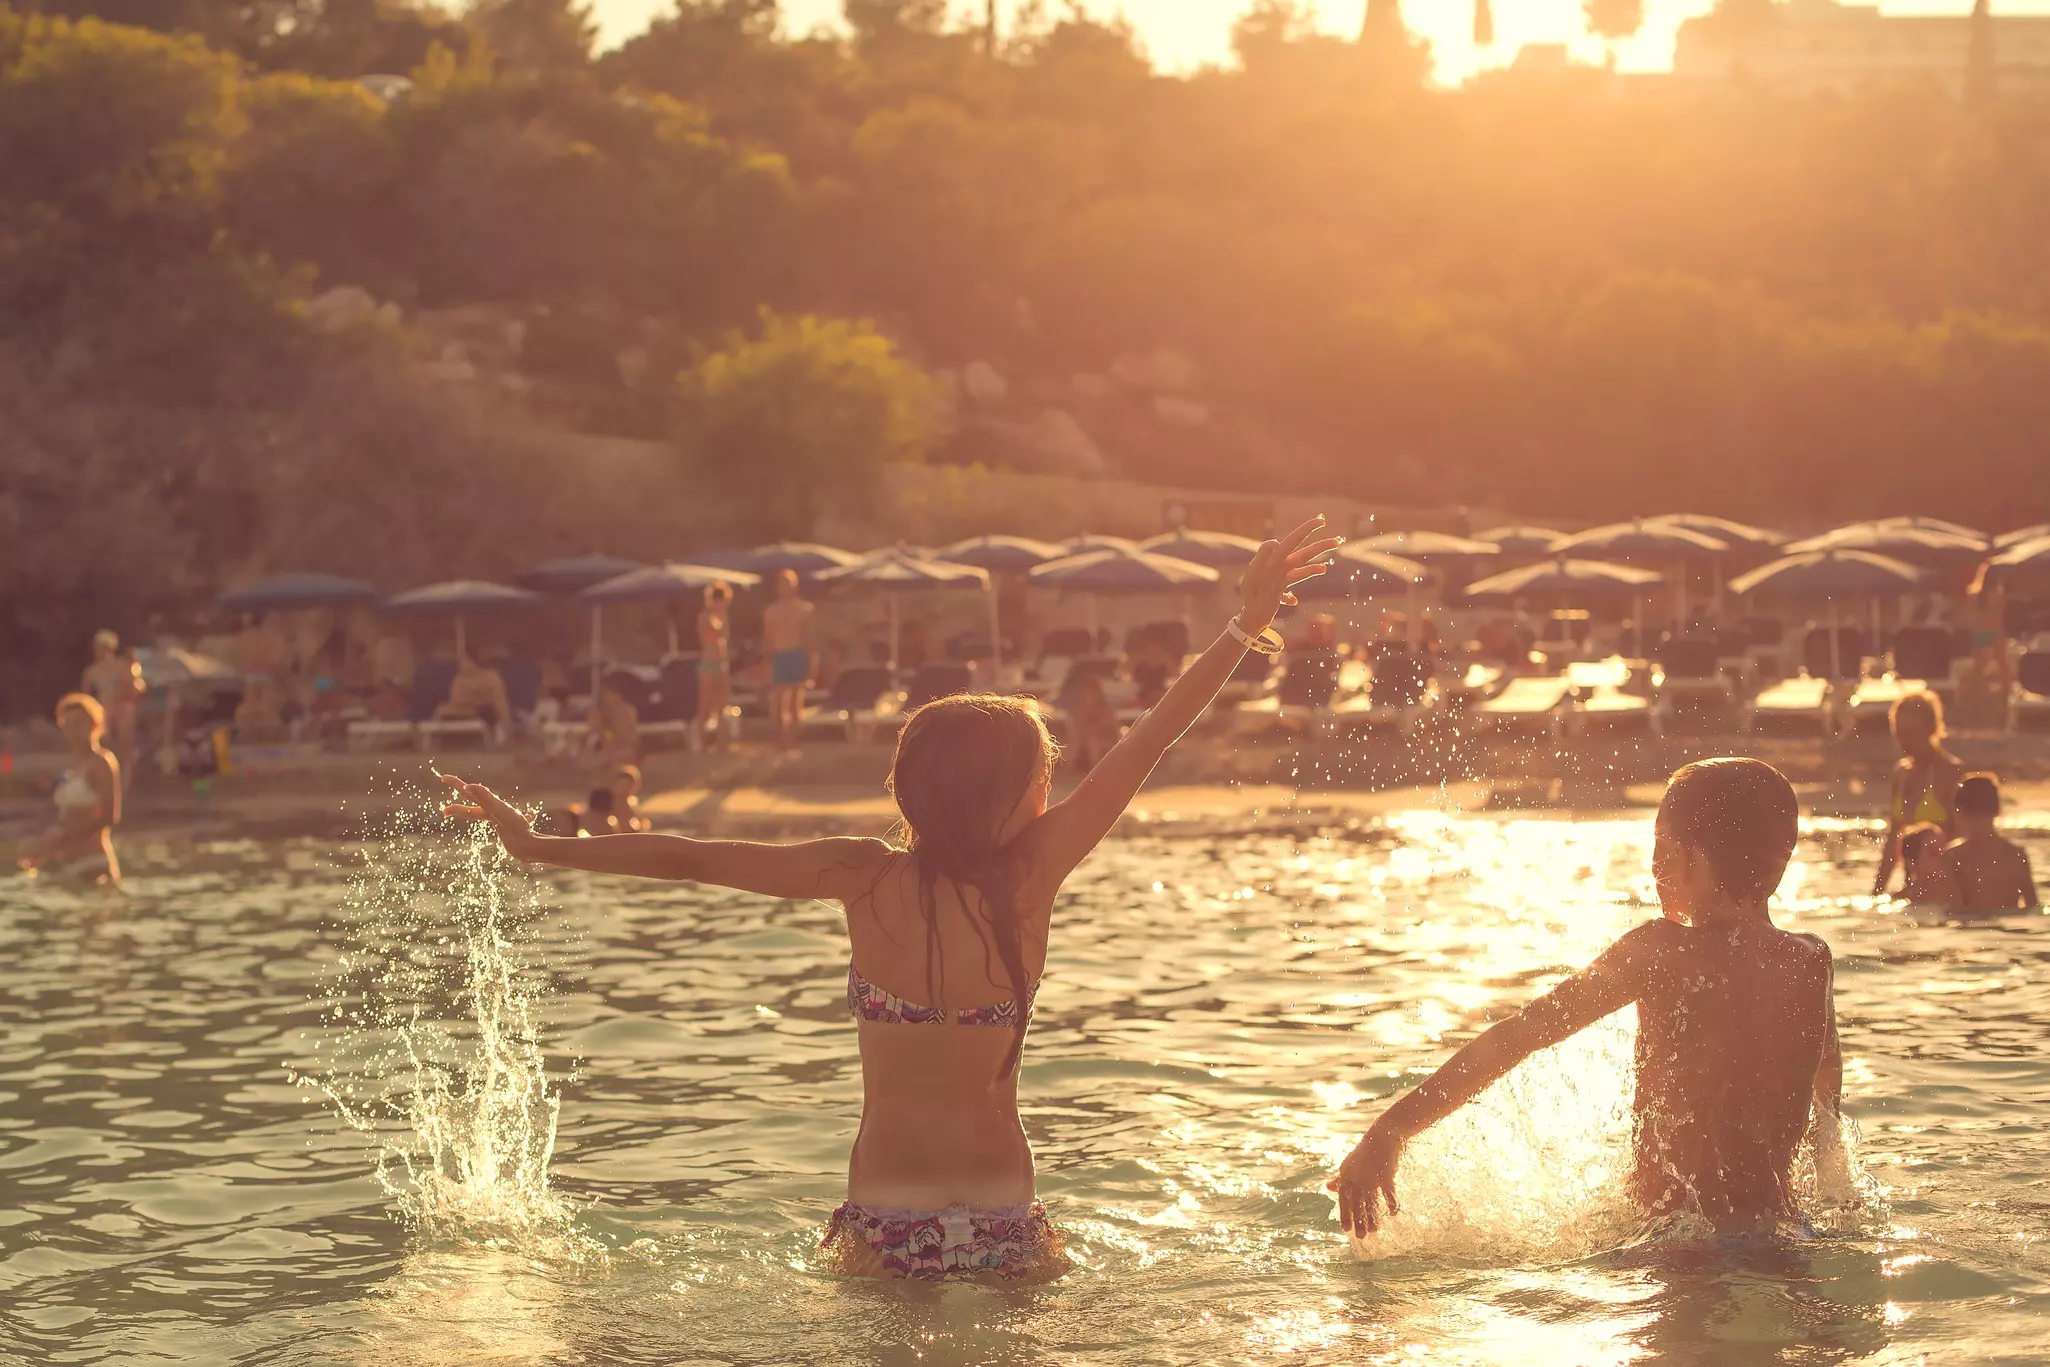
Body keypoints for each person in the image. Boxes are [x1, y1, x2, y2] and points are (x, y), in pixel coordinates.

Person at [439, 518, 1338, 1282]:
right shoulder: (1032, 876)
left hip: (882, 1220)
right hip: (1006, 1219)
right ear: (1013, 795)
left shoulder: (859, 874)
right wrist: (1241, 626)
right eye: (1044, 773)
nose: (1054, 786)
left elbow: (688, 859)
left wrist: (537, 843)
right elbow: (1149, 741)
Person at [1331, 758, 1842, 1238]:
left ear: (1686, 858)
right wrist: (1833, 1183)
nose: (1653, 866)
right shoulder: (1809, 961)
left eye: (1660, 847)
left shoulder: (1660, 950)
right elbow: (1825, 1077)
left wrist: (1390, 1131)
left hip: (1675, 1241)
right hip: (1781, 1233)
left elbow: (1521, 1035)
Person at [18, 694, 123, 885]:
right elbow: (69, 818)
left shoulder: (102, 763)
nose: (73, 730)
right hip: (69, 863)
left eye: (79, 723)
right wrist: (43, 848)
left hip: (94, 863)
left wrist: (64, 837)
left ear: (94, 725)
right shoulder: (74, 766)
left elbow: (109, 817)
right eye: (68, 724)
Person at [1873, 691, 1962, 898]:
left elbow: (1963, 840)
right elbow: (1892, 842)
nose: (1904, 740)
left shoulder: (1950, 772)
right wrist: (1876, 893)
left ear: (1931, 729)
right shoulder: (1901, 773)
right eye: (1898, 732)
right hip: (1913, 885)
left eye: (1911, 732)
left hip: (1947, 887)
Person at [1942, 774, 2039, 914]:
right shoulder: (2017, 854)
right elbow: (2033, 907)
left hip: (1969, 931)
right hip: (2010, 930)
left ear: (1960, 811)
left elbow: (1953, 909)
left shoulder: (1952, 856)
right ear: (1997, 810)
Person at [81, 630, 144, 786]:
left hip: (122, 707)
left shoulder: (121, 666)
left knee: (124, 745)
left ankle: (124, 781)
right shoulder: (91, 671)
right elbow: (85, 695)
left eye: (103, 647)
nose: (99, 651)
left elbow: (137, 688)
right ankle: (105, 780)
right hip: (103, 709)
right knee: (102, 744)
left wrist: (125, 692)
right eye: (97, 647)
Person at [763, 570, 815, 749]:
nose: (784, 587)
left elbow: (809, 637)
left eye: (788, 583)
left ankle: (793, 740)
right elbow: (768, 639)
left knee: (795, 701)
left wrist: (811, 662)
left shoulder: (803, 609)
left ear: (794, 586)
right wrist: (766, 662)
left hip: (797, 654)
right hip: (780, 655)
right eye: (781, 584)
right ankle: (780, 738)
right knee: (778, 702)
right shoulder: (772, 611)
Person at [435, 651, 513, 738]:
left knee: (493, 709)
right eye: (461, 662)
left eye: (465, 661)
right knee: (441, 710)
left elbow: (497, 699)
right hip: (463, 709)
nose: (462, 665)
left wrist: (476, 696)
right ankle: (438, 738)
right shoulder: (460, 678)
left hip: (487, 711)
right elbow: (456, 698)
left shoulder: (490, 676)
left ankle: (500, 736)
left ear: (474, 663)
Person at [695, 582, 733, 752]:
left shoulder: (723, 616)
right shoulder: (705, 616)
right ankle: (702, 744)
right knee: (705, 708)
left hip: (721, 665)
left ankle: (722, 744)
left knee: (722, 708)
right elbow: (714, 634)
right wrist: (717, 614)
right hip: (708, 665)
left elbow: (724, 637)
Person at [1897, 823, 1958, 906]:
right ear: (1912, 863)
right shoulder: (1901, 902)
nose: (1943, 857)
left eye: (1944, 850)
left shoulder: (1956, 893)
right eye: (1934, 852)